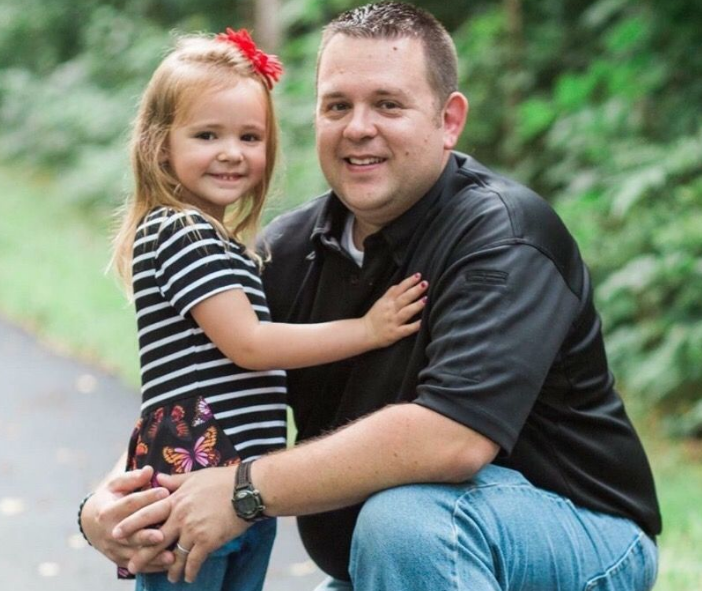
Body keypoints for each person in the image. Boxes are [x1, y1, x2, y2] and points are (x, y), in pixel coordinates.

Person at [81, 3, 663, 590]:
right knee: (400, 530)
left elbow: (452, 440)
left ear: (448, 120)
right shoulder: (285, 253)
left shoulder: (504, 237)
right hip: (391, 569)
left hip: (576, 540)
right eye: (338, 106)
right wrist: (108, 504)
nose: (358, 127)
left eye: (387, 104)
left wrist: (243, 490)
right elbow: (201, 389)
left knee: (405, 521)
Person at [92, 28, 428, 591]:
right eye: (207, 134)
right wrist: (367, 331)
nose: (232, 152)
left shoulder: (223, 243)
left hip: (234, 482)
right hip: (197, 475)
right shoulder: (182, 231)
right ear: (160, 145)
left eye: (250, 136)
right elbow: (249, 344)